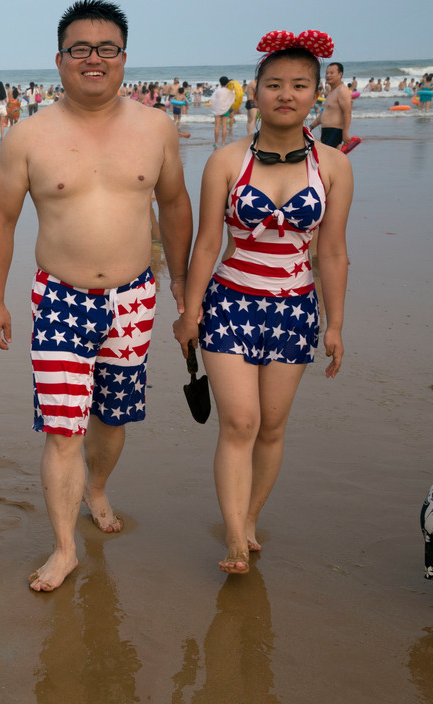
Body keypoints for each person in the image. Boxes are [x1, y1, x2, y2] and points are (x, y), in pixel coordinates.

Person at [0, 0, 192, 592]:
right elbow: (1, 220)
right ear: (60, 59)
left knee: (112, 417)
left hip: (135, 297)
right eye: (80, 48)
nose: (93, 59)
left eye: (106, 48)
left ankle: (96, 489)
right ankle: (64, 547)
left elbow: (175, 204)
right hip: (59, 298)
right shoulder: (28, 136)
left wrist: (181, 282)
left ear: (123, 57)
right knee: (62, 428)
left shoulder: (156, 127)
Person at [172, 30, 351, 575]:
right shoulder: (226, 161)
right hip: (230, 303)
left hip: (295, 310)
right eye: (274, 84)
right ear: (255, 91)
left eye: (299, 84)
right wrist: (189, 312)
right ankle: (232, 538)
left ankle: (249, 519)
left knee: (272, 426)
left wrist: (335, 325)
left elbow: (332, 252)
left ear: (316, 94)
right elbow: (207, 244)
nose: (285, 94)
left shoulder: (333, 166)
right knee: (241, 422)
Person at [311, 61, 352, 149]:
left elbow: (347, 113)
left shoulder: (342, 91)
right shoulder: (332, 91)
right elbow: (325, 113)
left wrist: (345, 133)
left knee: (325, 155)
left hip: (334, 131)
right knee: (329, 155)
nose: (328, 75)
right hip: (326, 131)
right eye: (327, 73)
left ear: (340, 74)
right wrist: (311, 126)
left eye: (331, 73)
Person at [210, 77, 234, 146]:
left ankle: (216, 143)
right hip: (226, 109)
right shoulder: (230, 91)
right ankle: (223, 143)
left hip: (217, 110)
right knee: (224, 126)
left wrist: (213, 108)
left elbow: (212, 100)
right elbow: (232, 100)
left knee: (217, 126)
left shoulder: (217, 91)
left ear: (220, 82)